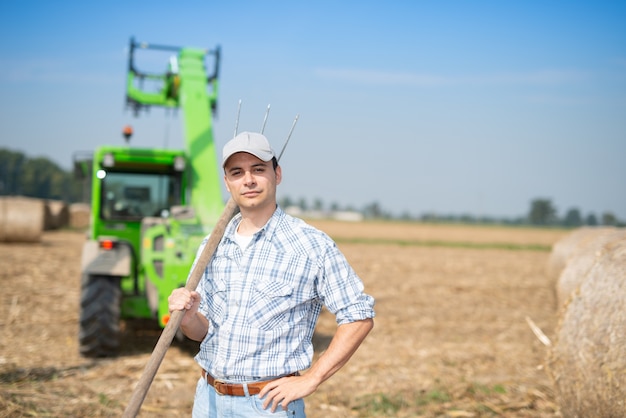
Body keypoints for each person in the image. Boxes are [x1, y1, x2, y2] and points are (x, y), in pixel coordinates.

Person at [168, 131, 375, 417]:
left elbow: (359, 316)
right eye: (237, 172)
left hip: (267, 406)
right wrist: (189, 318)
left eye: (258, 169)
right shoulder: (211, 246)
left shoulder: (310, 244)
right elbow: (202, 332)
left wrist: (311, 379)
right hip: (209, 399)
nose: (248, 180)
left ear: (277, 174)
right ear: (227, 183)